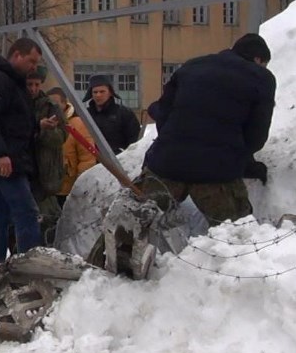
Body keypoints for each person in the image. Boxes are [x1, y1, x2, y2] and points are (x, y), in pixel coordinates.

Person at [135, 33, 276, 224]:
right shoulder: (262, 78)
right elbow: (256, 134)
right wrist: (244, 160)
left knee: (133, 226)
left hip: (167, 164)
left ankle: (111, 253)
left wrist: (173, 141)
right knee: (235, 236)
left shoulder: (192, 66)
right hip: (216, 172)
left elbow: (163, 111)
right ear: (258, 59)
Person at [0, 37, 55, 270]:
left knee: (0, 214)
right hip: (6, 163)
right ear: (16, 55)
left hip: (7, 160)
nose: (34, 67)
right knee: (26, 213)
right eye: (31, 61)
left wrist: (38, 125)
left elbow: (14, 123)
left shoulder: (13, 83)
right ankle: (30, 266)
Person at [25, 71, 65, 244]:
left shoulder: (50, 106)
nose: (33, 89)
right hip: (22, 168)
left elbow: (62, 137)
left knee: (47, 219)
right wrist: (36, 127)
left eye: (37, 84)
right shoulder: (16, 103)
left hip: (45, 173)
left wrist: (48, 130)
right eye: (30, 84)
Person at [48, 86, 99, 204]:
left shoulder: (77, 124)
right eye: (50, 104)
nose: (53, 108)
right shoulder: (45, 123)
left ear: (64, 103)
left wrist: (80, 182)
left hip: (69, 186)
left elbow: (87, 157)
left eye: (56, 103)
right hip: (48, 185)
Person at [85, 74, 141, 154]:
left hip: (118, 161)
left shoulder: (124, 113)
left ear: (110, 93)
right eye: (95, 92)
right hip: (91, 162)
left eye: (102, 91)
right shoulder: (86, 115)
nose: (98, 95)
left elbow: (134, 142)